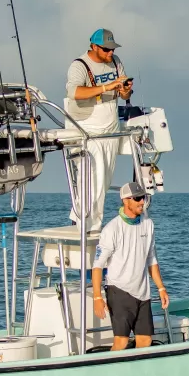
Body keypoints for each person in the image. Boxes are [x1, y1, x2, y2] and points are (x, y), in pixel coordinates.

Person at [65, 28, 134, 231]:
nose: (110, 53)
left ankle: (90, 223)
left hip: (110, 127)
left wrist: (125, 90)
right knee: (91, 178)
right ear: (94, 46)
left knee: (104, 180)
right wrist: (107, 87)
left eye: (112, 49)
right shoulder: (79, 65)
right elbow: (74, 92)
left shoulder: (116, 61)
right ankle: (83, 223)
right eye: (105, 49)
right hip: (87, 128)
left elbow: (123, 95)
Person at [91, 182, 169, 351]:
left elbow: (152, 259)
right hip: (119, 290)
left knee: (145, 340)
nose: (142, 202)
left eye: (144, 198)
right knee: (121, 341)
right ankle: (108, 374)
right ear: (126, 201)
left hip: (143, 292)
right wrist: (97, 297)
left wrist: (161, 288)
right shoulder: (112, 229)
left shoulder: (148, 224)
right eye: (138, 198)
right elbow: (97, 265)